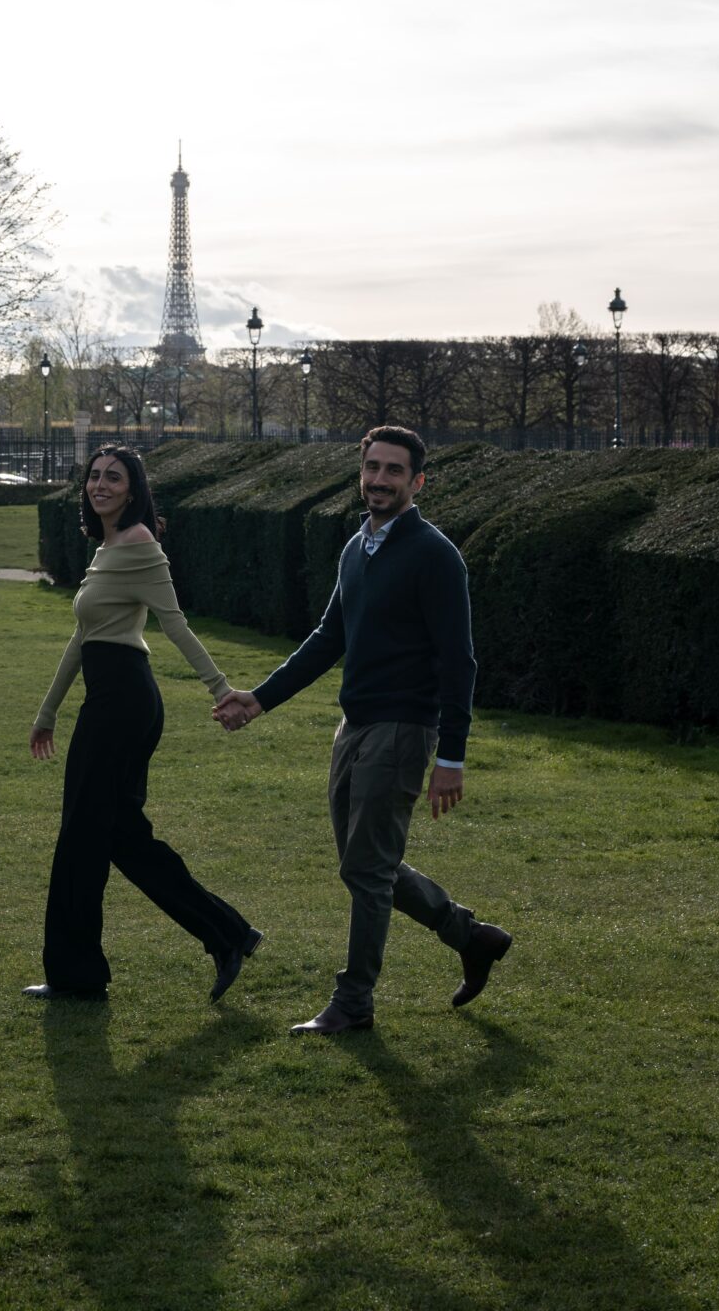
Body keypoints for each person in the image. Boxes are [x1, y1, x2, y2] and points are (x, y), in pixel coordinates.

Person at [214, 425, 511, 1036]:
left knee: (369, 870)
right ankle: (470, 936)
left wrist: (451, 755)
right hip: (355, 727)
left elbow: (460, 661)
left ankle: (354, 1004)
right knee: (364, 865)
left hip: (403, 730)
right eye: (371, 467)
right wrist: (258, 700)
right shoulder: (359, 546)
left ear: (417, 481)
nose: (379, 479)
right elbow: (330, 639)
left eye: (393, 470)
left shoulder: (434, 554)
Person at [26, 444, 262, 1003]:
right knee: (121, 837)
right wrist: (47, 711)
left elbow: (175, 624)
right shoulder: (107, 547)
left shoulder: (138, 545)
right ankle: (229, 934)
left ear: (133, 491)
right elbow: (83, 638)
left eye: (114, 478)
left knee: (82, 838)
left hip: (124, 704)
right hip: (108, 696)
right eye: (94, 476)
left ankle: (77, 977)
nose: (100, 485)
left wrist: (222, 689)